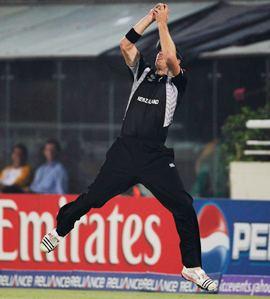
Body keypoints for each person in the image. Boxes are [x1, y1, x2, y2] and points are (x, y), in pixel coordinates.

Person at [40, 4, 217, 291]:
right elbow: (125, 44)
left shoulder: (177, 83)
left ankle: (192, 268)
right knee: (93, 198)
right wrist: (150, 16)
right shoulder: (141, 72)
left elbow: (171, 55)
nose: (160, 54)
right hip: (125, 151)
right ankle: (61, 230)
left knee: (183, 205)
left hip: (154, 157)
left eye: (165, 54)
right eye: (157, 52)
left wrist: (163, 23)